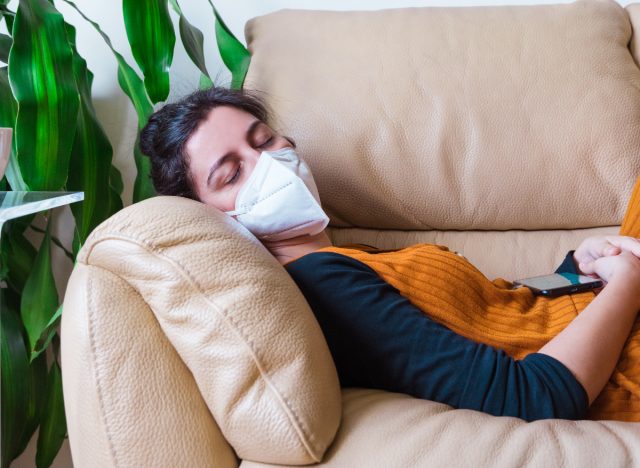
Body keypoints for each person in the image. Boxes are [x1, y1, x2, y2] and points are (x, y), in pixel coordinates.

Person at [139, 87, 640, 422]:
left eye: (264, 140)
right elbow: (530, 394)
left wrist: (578, 267)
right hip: (618, 367)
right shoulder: (325, 285)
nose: (269, 165)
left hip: (597, 313)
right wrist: (628, 283)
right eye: (231, 173)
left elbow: (498, 315)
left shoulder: (349, 257)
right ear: (212, 217)